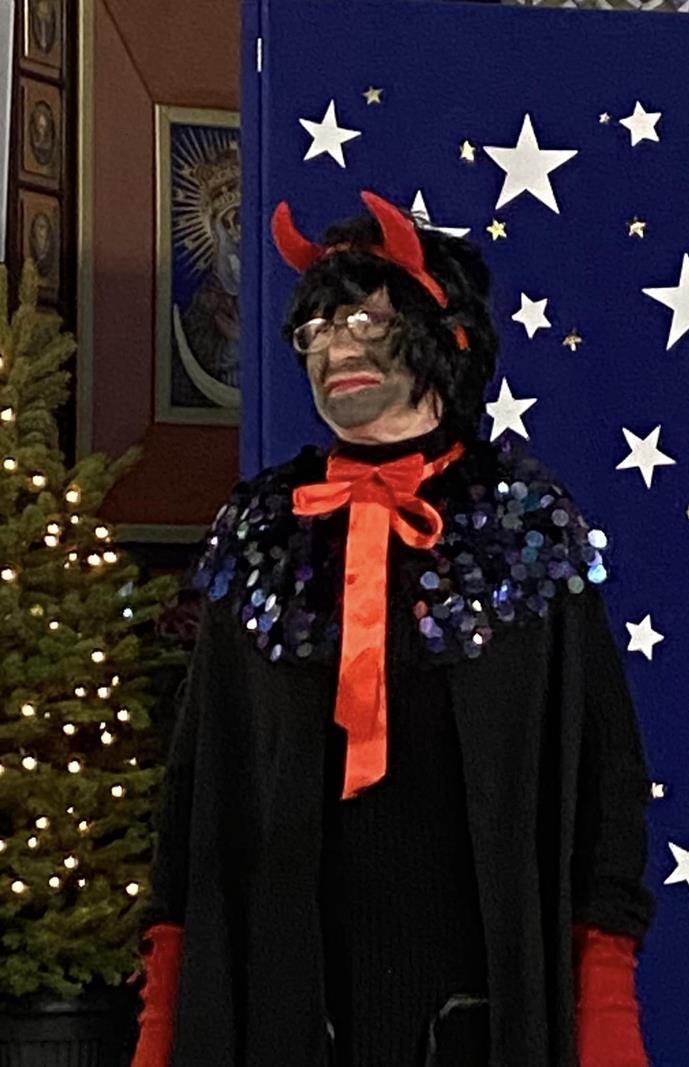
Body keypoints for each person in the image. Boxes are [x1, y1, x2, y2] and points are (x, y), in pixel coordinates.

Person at [130, 191, 657, 1066]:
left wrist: (605, 998)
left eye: (366, 321)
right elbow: (196, 794)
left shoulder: (524, 524)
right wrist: (164, 1015)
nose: (335, 348)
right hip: (292, 1011)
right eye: (317, 328)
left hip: (477, 1009)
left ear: (443, 338)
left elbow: (605, 773)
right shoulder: (261, 530)